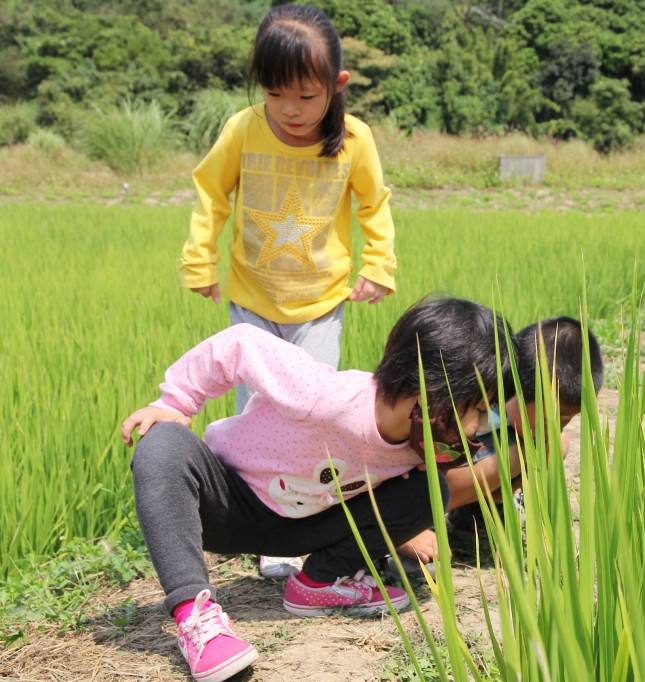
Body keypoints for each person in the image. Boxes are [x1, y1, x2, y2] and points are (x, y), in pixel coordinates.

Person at [120, 298, 513, 682]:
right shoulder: (323, 395)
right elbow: (241, 342)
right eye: (478, 409)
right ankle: (195, 614)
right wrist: (176, 402)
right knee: (161, 443)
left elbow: (416, 497)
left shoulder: (419, 447)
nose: (479, 425)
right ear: (435, 395)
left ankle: (319, 583)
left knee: (431, 492)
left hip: (300, 527)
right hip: (229, 502)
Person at [178, 4, 398, 578]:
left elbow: (374, 205)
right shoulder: (244, 129)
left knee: (309, 417)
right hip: (253, 301)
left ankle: (292, 533)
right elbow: (211, 194)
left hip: (320, 304)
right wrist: (200, 258)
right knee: (254, 419)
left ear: (336, 85)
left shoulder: (354, 140)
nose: (290, 110)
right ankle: (247, 523)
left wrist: (378, 264)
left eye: (306, 95)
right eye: (276, 94)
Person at [390, 317, 604, 575]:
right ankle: (406, 529)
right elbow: (407, 461)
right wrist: (405, 530)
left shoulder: (517, 417)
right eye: (554, 417)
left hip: (456, 473)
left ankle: (474, 517)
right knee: (535, 449)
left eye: (568, 419)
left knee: (556, 445)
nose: (558, 426)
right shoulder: (473, 407)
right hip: (407, 483)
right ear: (522, 390)